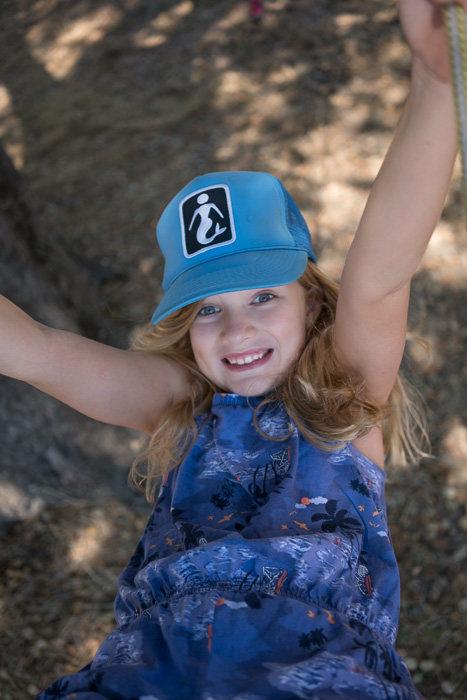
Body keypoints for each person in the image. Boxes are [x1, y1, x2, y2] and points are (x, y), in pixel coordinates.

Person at [0, 0, 463, 697]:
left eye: (262, 297)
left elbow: (380, 273)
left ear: (312, 301)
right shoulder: (179, 403)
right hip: (144, 677)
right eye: (208, 308)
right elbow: (39, 351)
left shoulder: (344, 396)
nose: (236, 330)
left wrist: (435, 81)